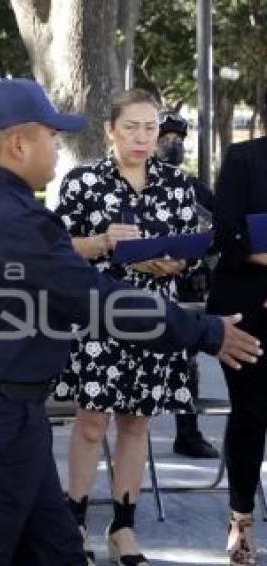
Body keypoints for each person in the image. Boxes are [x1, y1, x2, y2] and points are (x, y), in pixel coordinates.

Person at [0, 78, 262, 566]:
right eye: (51, 136)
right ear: (18, 144)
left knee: (58, 551)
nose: (58, 147)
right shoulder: (13, 219)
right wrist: (206, 332)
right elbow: (98, 302)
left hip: (5, 416)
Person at [53, 89, 204, 563]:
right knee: (92, 421)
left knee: (137, 425)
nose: (142, 137)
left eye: (150, 127)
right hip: (99, 315)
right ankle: (73, 523)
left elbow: (190, 249)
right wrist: (100, 242)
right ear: (110, 131)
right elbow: (56, 248)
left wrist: (175, 264)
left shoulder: (179, 185)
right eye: (132, 127)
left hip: (155, 316)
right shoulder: (82, 183)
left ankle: (123, 529)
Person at [206, 134, 267, 565]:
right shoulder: (244, 158)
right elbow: (227, 233)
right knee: (253, 410)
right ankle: (240, 521)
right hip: (248, 310)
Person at [154, 111, 220, 459]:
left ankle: (188, 432)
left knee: (186, 364)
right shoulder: (136, 185)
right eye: (166, 138)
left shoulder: (196, 189)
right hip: (148, 287)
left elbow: (220, 234)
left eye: (179, 140)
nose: (173, 145)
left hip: (190, 289)